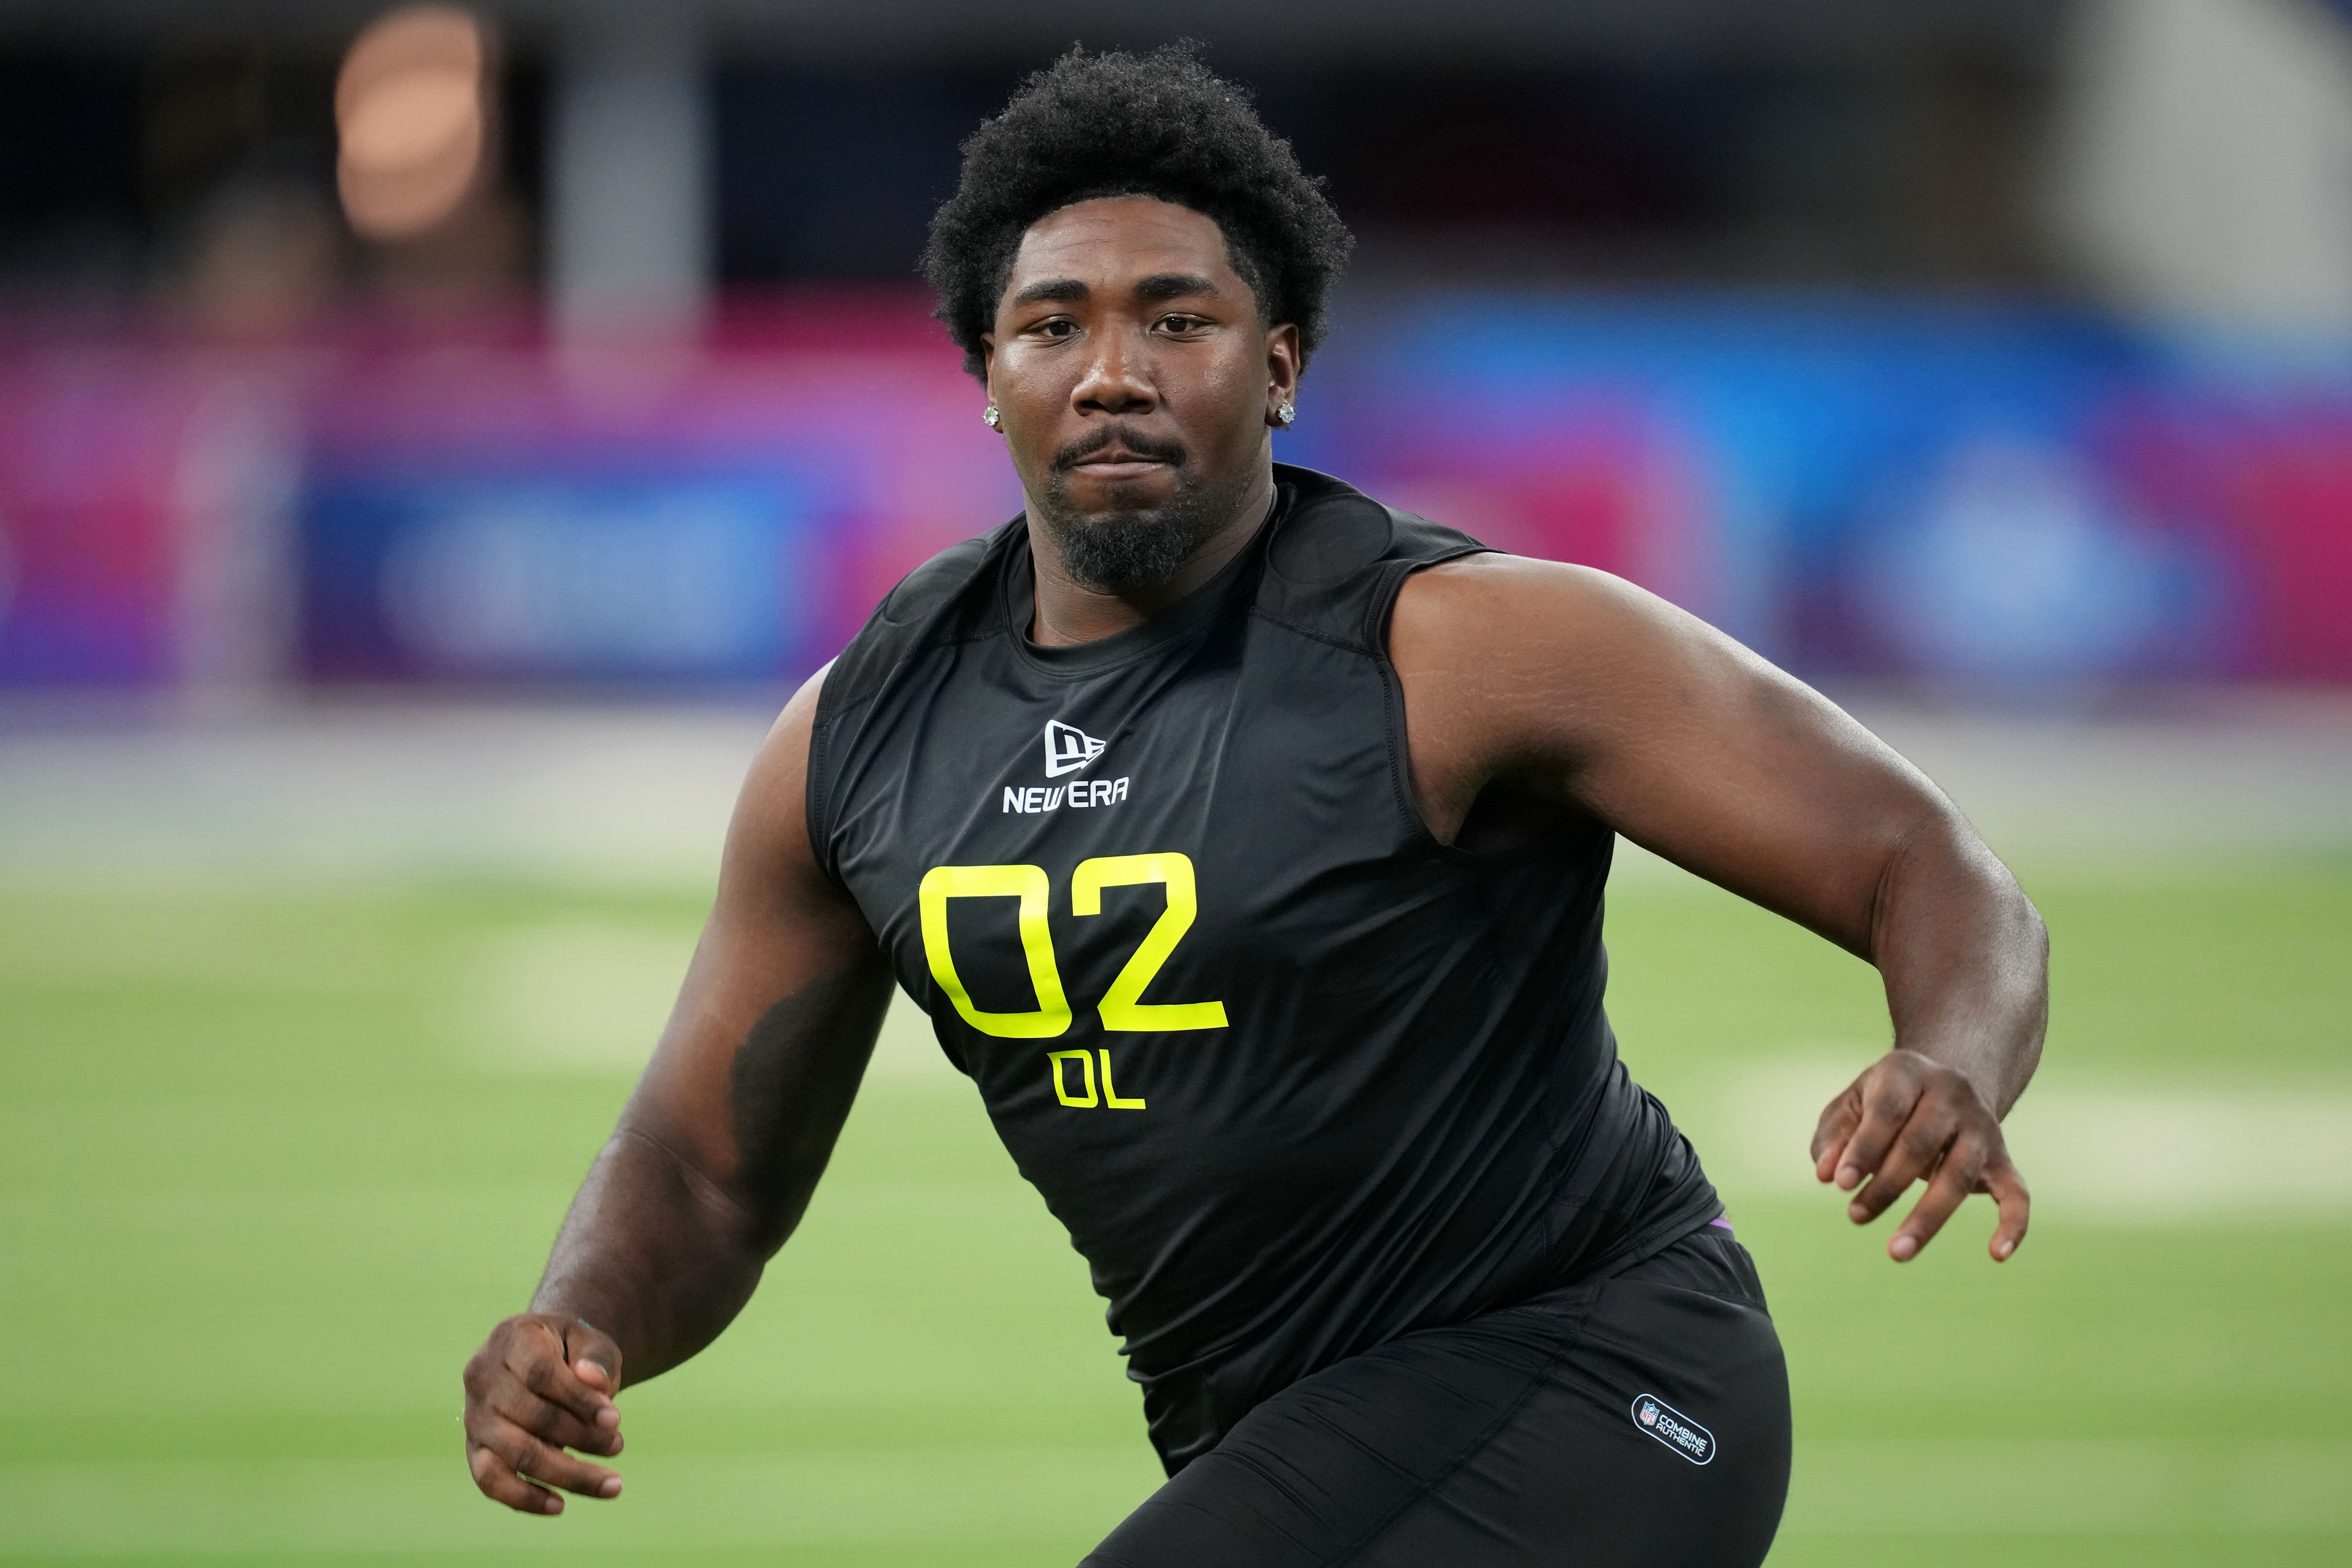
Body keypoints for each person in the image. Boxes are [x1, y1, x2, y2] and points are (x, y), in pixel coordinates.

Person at [460, 44, 2043, 1566]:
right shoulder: (860, 733)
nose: (1111, 374)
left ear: (1278, 364)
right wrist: (579, 1317)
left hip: (1593, 1374)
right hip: (1284, 1432)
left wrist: (1949, 1054)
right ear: (985, 377)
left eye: (1177, 319)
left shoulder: (1465, 645)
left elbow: (1927, 862)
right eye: (1051, 325)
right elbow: (705, 1161)